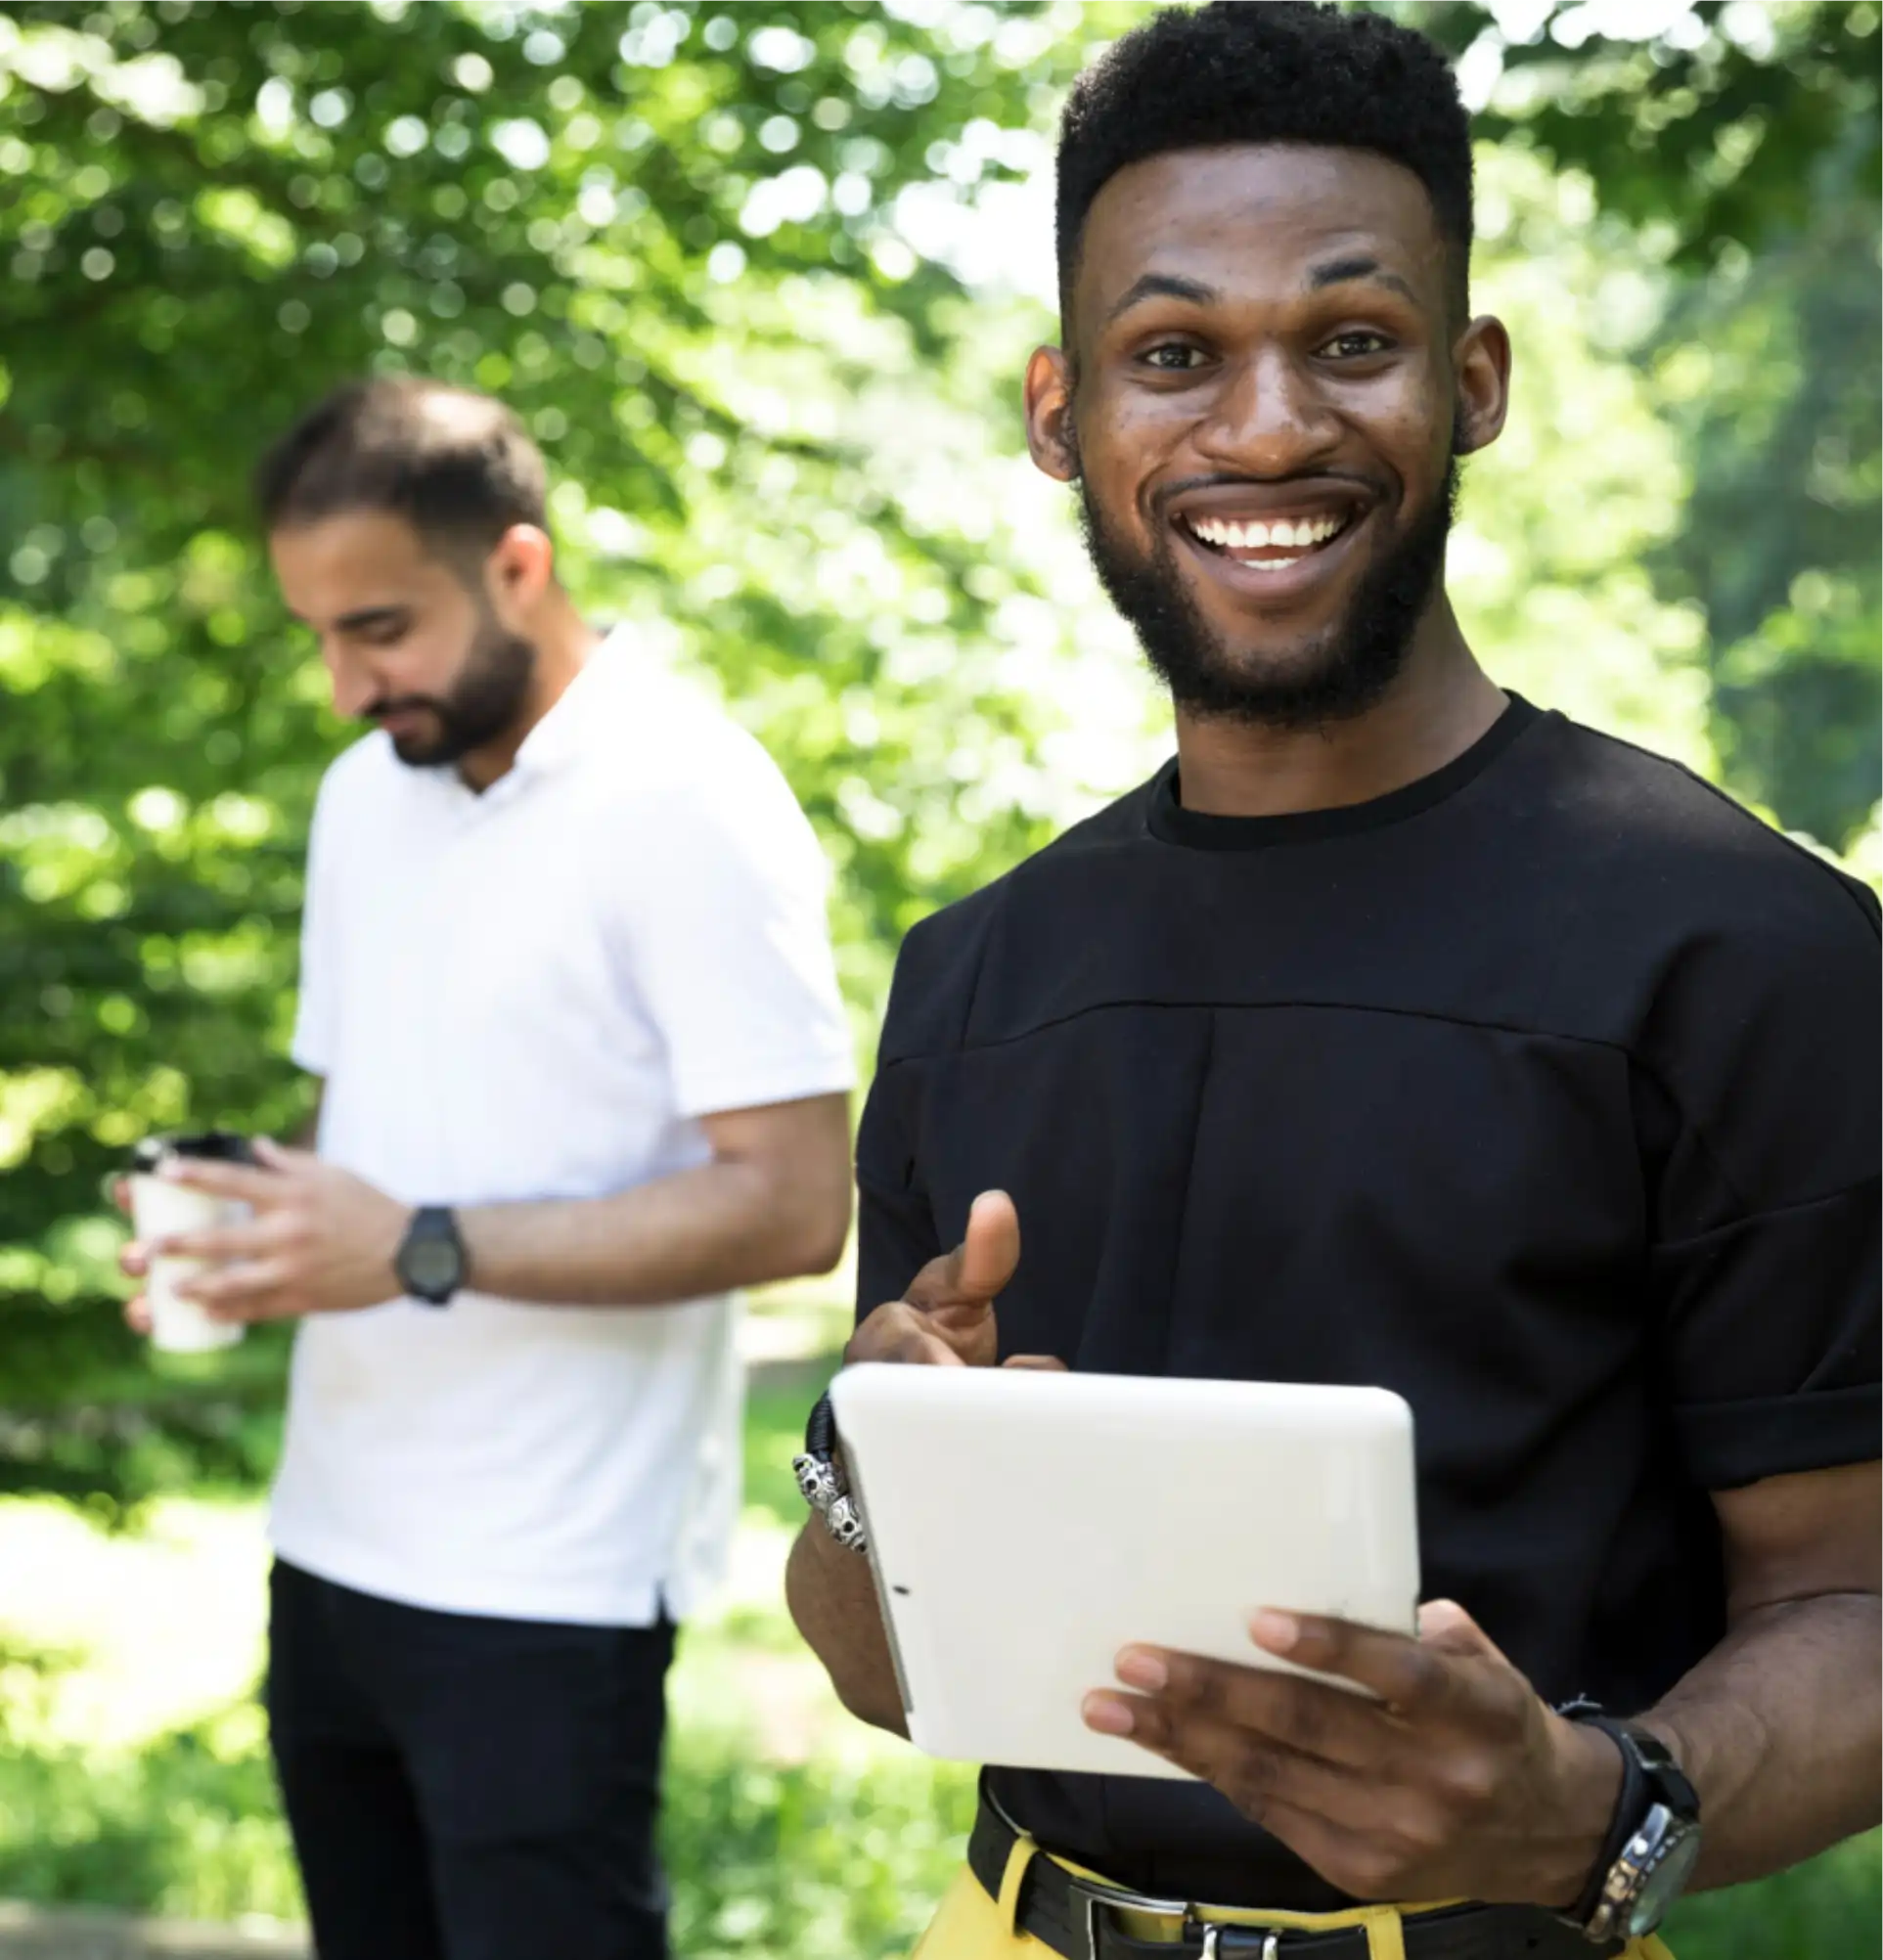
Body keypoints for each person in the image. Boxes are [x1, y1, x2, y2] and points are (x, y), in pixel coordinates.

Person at [785, 4, 1883, 1957]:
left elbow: (1850, 1601)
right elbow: (878, 1663)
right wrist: (875, 1476)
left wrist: (1595, 1807)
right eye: (1173, 356)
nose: (1266, 427)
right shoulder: (975, 975)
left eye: (1348, 342)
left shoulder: (1745, 957)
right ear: (1063, 416)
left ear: (1469, 382)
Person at [120, 378, 857, 1960]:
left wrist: (416, 1248)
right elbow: (374, 1131)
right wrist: (254, 1233)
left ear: (519, 566)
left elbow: (798, 1204)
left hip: (547, 1586)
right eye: (317, 634)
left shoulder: (692, 798)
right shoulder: (357, 799)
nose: (340, 687)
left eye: (378, 628)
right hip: (327, 1544)